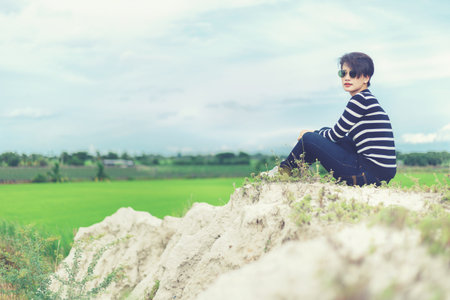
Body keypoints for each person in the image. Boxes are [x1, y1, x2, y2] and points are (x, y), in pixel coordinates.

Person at [271, 52, 396, 186]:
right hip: (375, 173)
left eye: (353, 74)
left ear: (366, 78)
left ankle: (283, 172)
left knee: (309, 138)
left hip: (367, 174)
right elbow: (338, 134)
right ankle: (296, 171)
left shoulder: (360, 100)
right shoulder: (367, 99)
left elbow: (335, 135)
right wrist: (317, 133)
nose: (347, 78)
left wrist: (311, 134)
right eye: (343, 73)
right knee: (321, 132)